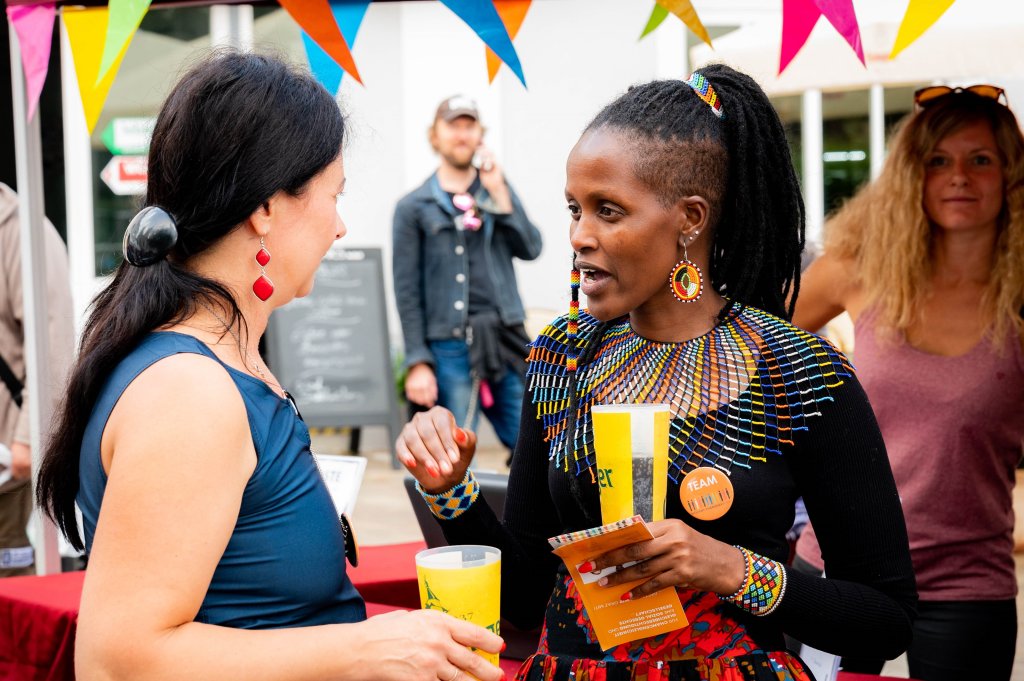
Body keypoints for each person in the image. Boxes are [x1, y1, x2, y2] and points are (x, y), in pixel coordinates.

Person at [396, 65, 917, 680]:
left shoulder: (801, 373)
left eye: (608, 211)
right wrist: (450, 490)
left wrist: (731, 570)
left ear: (690, 218)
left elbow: (885, 620)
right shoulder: (561, 360)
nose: (579, 236)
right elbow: (523, 604)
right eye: (574, 209)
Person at [35, 51, 502, 681]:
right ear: (266, 208)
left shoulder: (222, 360)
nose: (340, 227)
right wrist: (364, 648)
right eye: (334, 195)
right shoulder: (188, 391)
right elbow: (116, 663)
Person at [791, 84, 1024, 681]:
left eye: (980, 159)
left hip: (966, 583)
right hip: (841, 567)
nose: (959, 177)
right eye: (938, 161)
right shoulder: (861, 268)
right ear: (911, 177)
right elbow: (752, 345)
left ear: (1011, 175)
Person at [393, 95, 543, 458]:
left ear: (480, 134)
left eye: (469, 125)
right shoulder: (413, 207)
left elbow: (531, 247)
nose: (462, 134)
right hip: (450, 347)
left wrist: (499, 191)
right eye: (453, 126)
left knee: (536, 447)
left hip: (505, 337)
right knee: (452, 453)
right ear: (435, 135)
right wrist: (418, 363)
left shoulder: (496, 188)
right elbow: (407, 290)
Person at [0, 182, 74, 576]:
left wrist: (29, 438)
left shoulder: (20, 230)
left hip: (5, 466)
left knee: (8, 583)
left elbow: (52, 345)